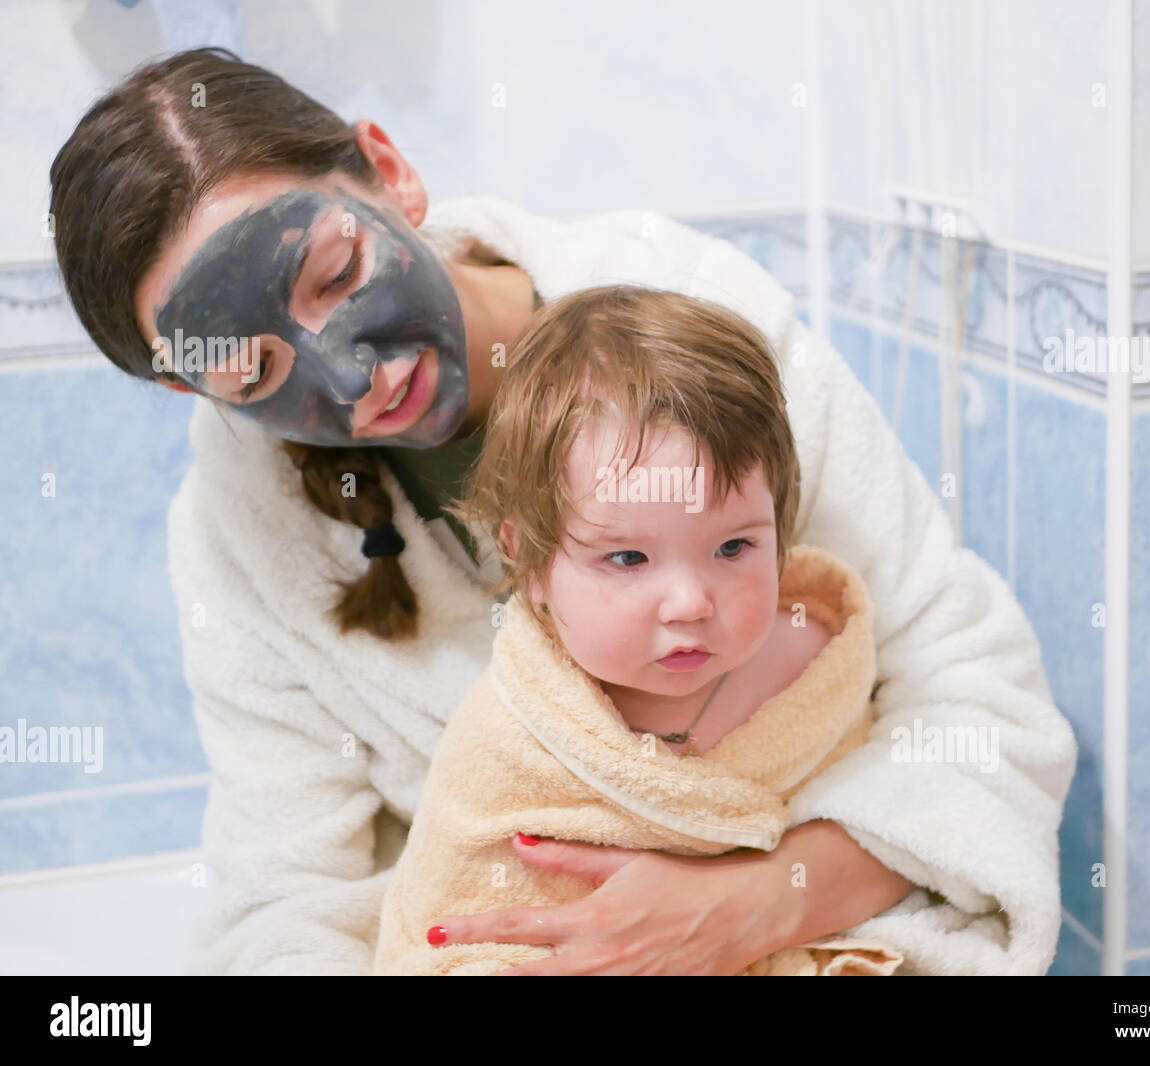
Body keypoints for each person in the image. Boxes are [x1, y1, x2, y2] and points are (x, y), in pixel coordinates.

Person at [48, 47, 1077, 976]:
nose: (350, 373)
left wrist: (757, 904)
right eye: (252, 368)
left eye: (338, 274)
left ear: (388, 167)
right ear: (194, 390)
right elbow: (284, 902)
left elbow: (977, 701)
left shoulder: (689, 321)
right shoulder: (240, 529)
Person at [374, 284, 904, 976]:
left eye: (734, 548)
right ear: (528, 559)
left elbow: (894, 832)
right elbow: (449, 930)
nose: (689, 602)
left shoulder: (817, 660)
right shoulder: (510, 746)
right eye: (627, 558)